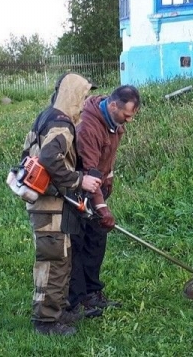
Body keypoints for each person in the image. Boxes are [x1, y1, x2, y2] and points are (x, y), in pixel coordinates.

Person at [20, 72, 102, 336]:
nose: (84, 101)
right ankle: (46, 323)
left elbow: (28, 155)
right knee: (54, 263)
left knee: (57, 260)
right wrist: (80, 181)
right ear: (72, 94)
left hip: (46, 203)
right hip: (50, 206)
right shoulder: (62, 124)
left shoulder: (45, 116)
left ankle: (58, 311)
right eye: (84, 95)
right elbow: (49, 158)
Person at [67, 85, 141, 313]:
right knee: (77, 245)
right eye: (126, 115)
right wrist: (102, 207)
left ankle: (92, 292)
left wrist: (108, 185)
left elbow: (105, 162)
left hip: (98, 189)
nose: (128, 121)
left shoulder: (113, 121)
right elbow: (90, 171)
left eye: (132, 116)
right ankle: (77, 300)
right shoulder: (88, 128)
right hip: (79, 190)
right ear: (112, 105)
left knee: (96, 241)